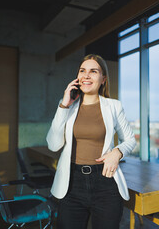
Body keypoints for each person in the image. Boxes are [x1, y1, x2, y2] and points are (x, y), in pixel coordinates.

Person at [46, 54, 136, 229]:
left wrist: (117, 152)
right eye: (82, 71)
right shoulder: (66, 105)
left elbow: (130, 139)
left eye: (93, 71)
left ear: (103, 79)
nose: (86, 75)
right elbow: (53, 144)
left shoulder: (114, 106)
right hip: (71, 183)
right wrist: (64, 106)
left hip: (105, 183)